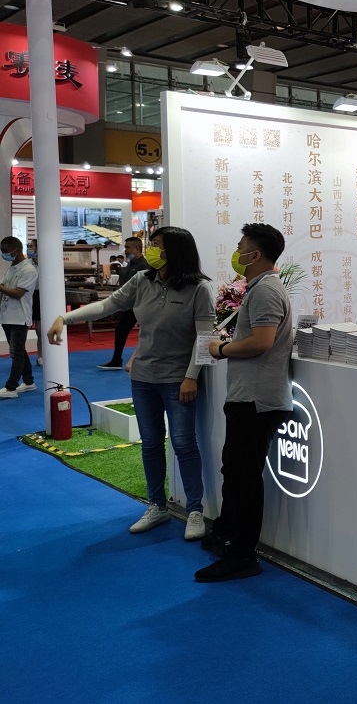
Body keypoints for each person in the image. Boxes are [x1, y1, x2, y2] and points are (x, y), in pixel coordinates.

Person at [48, 227, 214, 539]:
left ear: (175, 251)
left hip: (177, 380)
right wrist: (64, 318)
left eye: (157, 245)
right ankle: (157, 505)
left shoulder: (199, 289)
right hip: (143, 378)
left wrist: (191, 376)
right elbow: (108, 305)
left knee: (184, 445)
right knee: (150, 443)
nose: (151, 249)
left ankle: (195, 510)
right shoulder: (142, 280)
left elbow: (205, 338)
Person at [198, 222, 294, 582]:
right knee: (235, 473)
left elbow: (261, 342)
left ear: (255, 255)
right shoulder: (259, 288)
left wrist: (221, 349)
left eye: (241, 248)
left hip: (257, 400)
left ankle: (241, 555)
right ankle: (227, 534)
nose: (237, 254)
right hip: (247, 396)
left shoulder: (266, 290)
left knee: (244, 479)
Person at [99, 236, 149, 370]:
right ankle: (117, 360)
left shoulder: (144, 266)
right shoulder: (131, 264)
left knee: (146, 333)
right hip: (130, 306)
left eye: (127, 247)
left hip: (140, 306)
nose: (125, 250)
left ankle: (121, 360)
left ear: (136, 249)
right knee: (121, 330)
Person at [0, 237, 38, 398]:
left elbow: (18, 293)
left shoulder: (29, 270)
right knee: (19, 351)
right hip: (7, 315)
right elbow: (4, 288)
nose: (3, 254)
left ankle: (11, 387)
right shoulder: (12, 267)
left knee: (16, 353)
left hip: (19, 317)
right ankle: (29, 382)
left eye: (5, 251)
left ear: (16, 250)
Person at [28, 238, 42, 366]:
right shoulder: (26, 263)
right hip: (26, 295)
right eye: (28, 246)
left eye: (31, 246)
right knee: (23, 327)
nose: (29, 248)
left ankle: (41, 356)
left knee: (40, 330)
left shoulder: (46, 263)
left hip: (39, 295)